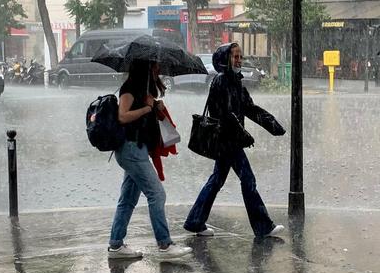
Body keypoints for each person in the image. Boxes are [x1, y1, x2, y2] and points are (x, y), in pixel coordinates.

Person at [184, 43, 286, 238]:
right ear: (225, 59)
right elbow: (226, 115)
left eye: (240, 56)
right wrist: (243, 135)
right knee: (248, 180)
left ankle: (195, 221)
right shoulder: (222, 81)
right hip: (227, 141)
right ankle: (263, 226)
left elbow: (249, 108)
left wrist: (272, 124)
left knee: (216, 181)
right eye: (235, 56)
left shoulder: (235, 81)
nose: (239, 60)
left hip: (230, 140)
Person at [108, 59, 192, 259]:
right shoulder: (129, 88)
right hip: (131, 150)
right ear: (145, 68)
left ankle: (116, 245)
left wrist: (155, 106)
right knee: (157, 194)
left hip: (136, 150)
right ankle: (165, 245)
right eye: (155, 66)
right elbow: (122, 116)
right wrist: (147, 108)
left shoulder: (144, 90)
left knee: (128, 199)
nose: (158, 69)